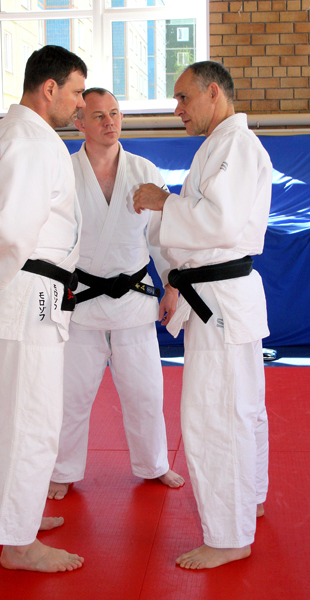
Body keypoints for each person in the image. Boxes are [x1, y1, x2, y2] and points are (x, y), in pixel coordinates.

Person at [0, 45, 86, 573]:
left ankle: (16, 518)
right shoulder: (33, 140)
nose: (79, 104)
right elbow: (11, 227)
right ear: (49, 88)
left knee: (17, 416)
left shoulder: (0, 134)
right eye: (75, 92)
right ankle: (18, 543)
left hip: (20, 291)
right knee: (32, 418)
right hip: (31, 296)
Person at [133, 61, 272, 570]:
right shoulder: (220, 146)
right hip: (218, 298)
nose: (178, 109)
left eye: (183, 97)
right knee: (241, 408)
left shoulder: (235, 145)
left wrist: (163, 201)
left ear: (213, 92)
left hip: (222, 303)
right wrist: (175, 278)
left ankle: (230, 535)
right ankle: (249, 499)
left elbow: (220, 223)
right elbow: (207, 232)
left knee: (216, 415)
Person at [48, 88, 184, 501]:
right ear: (79, 123)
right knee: (71, 395)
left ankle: (154, 464)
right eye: (99, 115)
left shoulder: (143, 170)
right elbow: (51, 237)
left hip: (134, 301)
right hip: (81, 300)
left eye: (115, 113)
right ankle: (63, 469)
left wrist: (172, 284)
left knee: (146, 392)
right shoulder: (63, 171)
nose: (110, 122)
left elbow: (162, 236)